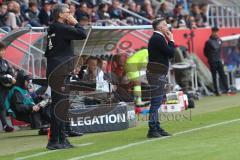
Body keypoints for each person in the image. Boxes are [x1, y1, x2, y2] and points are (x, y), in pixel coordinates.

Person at [45, 3, 86, 150]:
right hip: (59, 71)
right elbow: (82, 34)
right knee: (60, 106)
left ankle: (62, 138)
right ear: (61, 15)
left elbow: (53, 52)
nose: (71, 14)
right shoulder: (61, 28)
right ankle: (54, 141)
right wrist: (76, 23)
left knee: (62, 106)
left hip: (59, 69)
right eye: (68, 12)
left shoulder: (53, 28)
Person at [146, 18, 175, 138]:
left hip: (157, 73)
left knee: (157, 101)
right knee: (156, 101)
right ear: (158, 27)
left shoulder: (158, 38)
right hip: (156, 74)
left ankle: (156, 127)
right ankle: (152, 129)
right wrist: (172, 40)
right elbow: (171, 53)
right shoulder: (157, 38)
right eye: (164, 24)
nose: (167, 26)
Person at [204, 27, 229, 96]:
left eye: (217, 31)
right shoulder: (208, 42)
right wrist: (210, 58)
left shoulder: (219, 40)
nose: (216, 33)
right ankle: (217, 91)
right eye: (215, 31)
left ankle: (227, 89)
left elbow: (220, 51)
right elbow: (205, 52)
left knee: (222, 75)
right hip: (212, 61)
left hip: (219, 60)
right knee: (214, 76)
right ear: (212, 32)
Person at [0, 42, 15, 132]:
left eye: (3, 50)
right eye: (0, 50)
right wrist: (8, 79)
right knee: (1, 105)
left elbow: (10, 71)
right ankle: (5, 125)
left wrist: (12, 77)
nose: (2, 52)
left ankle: (5, 125)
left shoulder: (4, 62)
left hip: (4, 87)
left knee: (2, 106)